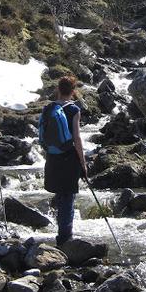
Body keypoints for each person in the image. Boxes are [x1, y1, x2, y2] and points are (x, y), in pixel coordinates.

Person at [43, 75, 88, 246]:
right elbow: (76, 138)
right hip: (69, 157)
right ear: (73, 91)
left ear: (58, 89)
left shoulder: (48, 108)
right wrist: (83, 163)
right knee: (68, 196)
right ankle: (65, 237)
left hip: (53, 156)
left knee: (60, 195)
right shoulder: (74, 110)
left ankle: (61, 232)